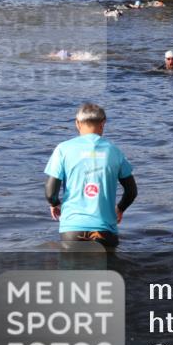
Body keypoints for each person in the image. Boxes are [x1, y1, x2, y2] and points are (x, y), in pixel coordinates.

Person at [43, 103, 137, 249]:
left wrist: (54, 203)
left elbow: (50, 192)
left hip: (72, 230)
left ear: (77, 123)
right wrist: (120, 209)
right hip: (105, 231)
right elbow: (131, 191)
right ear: (103, 123)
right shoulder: (114, 151)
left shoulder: (63, 149)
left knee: (73, 270)